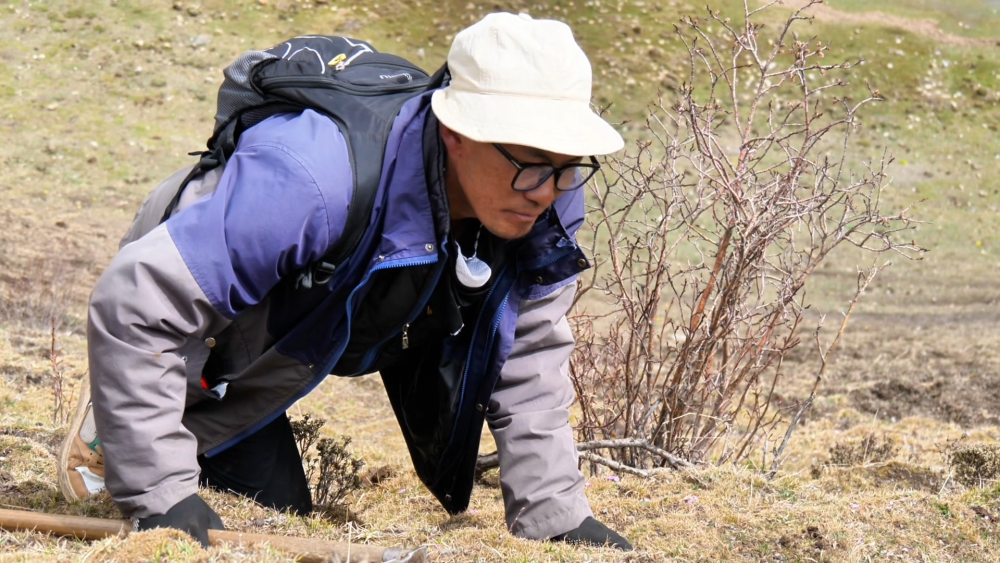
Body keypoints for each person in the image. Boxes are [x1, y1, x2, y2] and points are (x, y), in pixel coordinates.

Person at [59, 12, 632, 551]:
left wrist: (556, 515)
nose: (546, 190)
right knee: (208, 496)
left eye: (567, 165)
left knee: (280, 510)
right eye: (529, 162)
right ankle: (130, 408)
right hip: (202, 297)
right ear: (456, 132)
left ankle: (154, 412)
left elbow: (527, 349)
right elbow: (136, 302)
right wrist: (161, 497)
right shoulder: (316, 178)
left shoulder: (547, 194)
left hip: (315, 323)